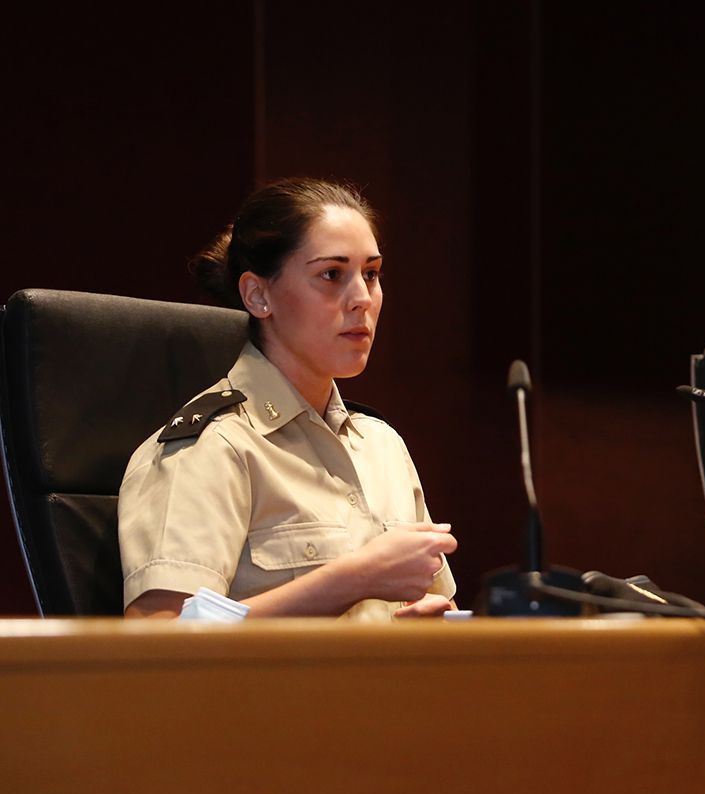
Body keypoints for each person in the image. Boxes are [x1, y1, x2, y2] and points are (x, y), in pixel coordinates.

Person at [119, 177, 459, 620]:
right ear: (258, 295)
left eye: (371, 274)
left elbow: (440, 605)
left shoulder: (383, 446)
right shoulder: (214, 446)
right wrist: (351, 580)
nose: (362, 299)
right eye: (331, 275)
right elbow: (157, 643)